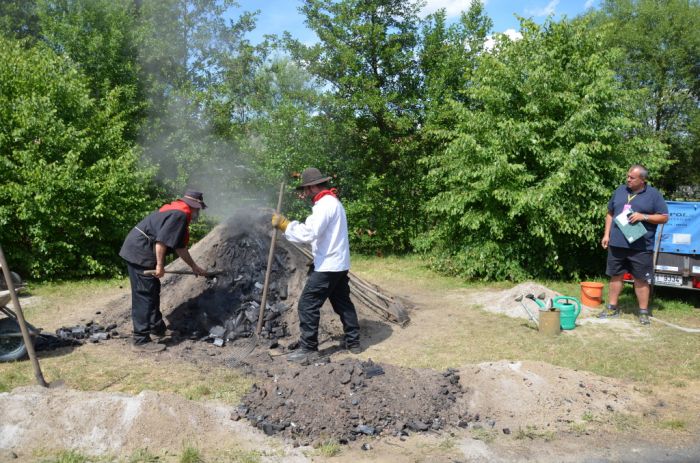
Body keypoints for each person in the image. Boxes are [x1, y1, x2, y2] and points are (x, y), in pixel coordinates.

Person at [271, 167, 361, 363]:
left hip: (329, 265)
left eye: (305, 189)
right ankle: (353, 342)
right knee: (342, 302)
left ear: (312, 186)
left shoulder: (325, 205)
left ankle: (309, 349)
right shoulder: (332, 202)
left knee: (307, 304)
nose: (304, 193)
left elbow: (309, 233)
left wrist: (286, 225)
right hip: (338, 262)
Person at [119, 189, 209, 352]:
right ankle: (141, 340)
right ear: (194, 206)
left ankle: (156, 327)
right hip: (140, 252)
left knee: (153, 290)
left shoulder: (178, 211)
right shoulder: (179, 215)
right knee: (144, 295)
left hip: (142, 250)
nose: (199, 213)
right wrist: (160, 266)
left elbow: (180, 247)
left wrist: (194, 266)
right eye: (199, 209)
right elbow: (161, 242)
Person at [600, 165, 668, 325]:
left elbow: (664, 217)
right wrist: (606, 234)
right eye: (628, 176)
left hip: (641, 246)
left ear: (643, 180)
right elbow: (610, 213)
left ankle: (643, 312)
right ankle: (612, 307)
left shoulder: (654, 195)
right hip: (617, 244)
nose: (628, 179)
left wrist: (643, 216)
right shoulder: (620, 190)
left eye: (632, 177)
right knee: (615, 275)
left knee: (641, 279)